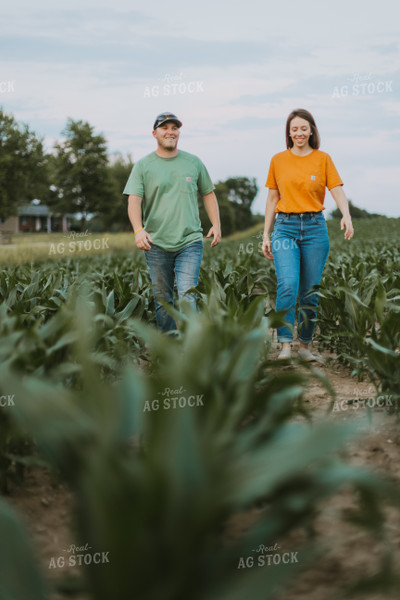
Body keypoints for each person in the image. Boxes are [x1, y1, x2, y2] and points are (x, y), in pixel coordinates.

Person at [262, 108, 354, 361]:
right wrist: (265, 235)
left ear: (312, 130)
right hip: (285, 227)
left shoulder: (323, 158)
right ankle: (284, 345)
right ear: (288, 133)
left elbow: (336, 189)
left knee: (310, 291)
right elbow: (272, 199)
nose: (299, 133)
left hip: (315, 227)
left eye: (304, 128)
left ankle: (304, 346)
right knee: (288, 285)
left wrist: (346, 214)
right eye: (294, 129)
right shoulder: (278, 160)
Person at [124, 112, 221, 334]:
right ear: (154, 133)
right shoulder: (143, 165)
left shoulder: (193, 162)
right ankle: (169, 349)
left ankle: (194, 349)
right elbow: (134, 201)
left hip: (190, 241)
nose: (170, 132)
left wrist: (216, 224)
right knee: (163, 300)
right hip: (156, 243)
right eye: (164, 128)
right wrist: (138, 230)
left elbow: (208, 194)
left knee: (188, 296)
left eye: (174, 128)